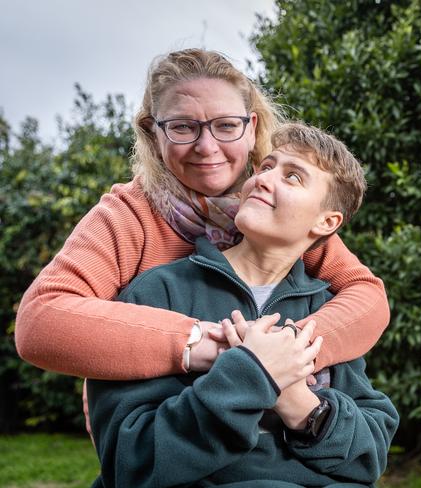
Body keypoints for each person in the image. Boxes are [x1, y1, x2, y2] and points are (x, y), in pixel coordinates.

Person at [15, 48, 390, 384]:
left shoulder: (272, 211)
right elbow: (40, 320)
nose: (206, 147)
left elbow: (367, 297)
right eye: (182, 127)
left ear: (251, 127)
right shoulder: (128, 216)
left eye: (226, 125)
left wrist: (291, 350)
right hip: (153, 427)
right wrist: (215, 347)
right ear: (153, 134)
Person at [87, 122, 399, 487]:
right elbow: (131, 461)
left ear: (326, 221)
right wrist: (252, 377)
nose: (263, 180)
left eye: (293, 177)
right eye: (266, 167)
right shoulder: (159, 292)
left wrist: (300, 404)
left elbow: (369, 454)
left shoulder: (327, 311)